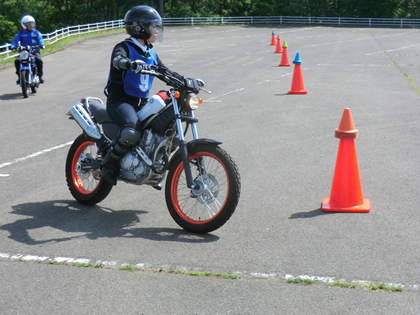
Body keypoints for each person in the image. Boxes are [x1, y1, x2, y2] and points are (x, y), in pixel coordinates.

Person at [101, 5, 187, 186]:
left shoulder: (150, 52)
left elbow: (165, 72)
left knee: (169, 133)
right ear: (139, 27)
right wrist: (128, 64)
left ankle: (152, 164)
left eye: (157, 27)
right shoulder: (124, 47)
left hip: (141, 103)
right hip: (120, 101)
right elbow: (118, 59)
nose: (156, 30)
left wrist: (186, 81)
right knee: (132, 131)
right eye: (153, 26)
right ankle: (109, 163)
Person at [10, 15, 45, 84]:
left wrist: (41, 45)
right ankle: (20, 77)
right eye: (30, 24)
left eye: (33, 23)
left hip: (34, 52)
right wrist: (12, 46)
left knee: (39, 60)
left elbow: (41, 40)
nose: (32, 25)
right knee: (17, 61)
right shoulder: (21, 33)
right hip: (24, 52)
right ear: (24, 25)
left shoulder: (36, 32)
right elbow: (15, 41)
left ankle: (40, 76)